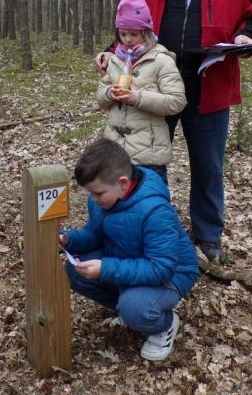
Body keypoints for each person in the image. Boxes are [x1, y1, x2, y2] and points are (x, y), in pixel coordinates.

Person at [95, 0, 252, 263]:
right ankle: (155, 229)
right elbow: (134, 27)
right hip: (155, 87)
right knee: (147, 162)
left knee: (208, 167)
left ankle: (207, 237)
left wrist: (246, 39)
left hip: (211, 87)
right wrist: (111, 53)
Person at [60, 139, 200, 361]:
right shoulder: (103, 198)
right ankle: (130, 305)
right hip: (130, 258)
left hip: (173, 273)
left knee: (135, 307)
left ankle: (163, 324)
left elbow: (160, 268)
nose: (94, 199)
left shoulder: (154, 211)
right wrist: (69, 240)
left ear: (123, 184)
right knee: (74, 269)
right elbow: (95, 235)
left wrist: (105, 268)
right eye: (90, 193)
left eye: (98, 193)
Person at [97, 0, 186, 183]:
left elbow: (177, 101)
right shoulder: (116, 60)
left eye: (133, 34)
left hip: (149, 154)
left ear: (146, 33)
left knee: (150, 202)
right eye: (123, 34)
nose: (127, 40)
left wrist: (139, 98)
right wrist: (109, 94)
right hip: (116, 149)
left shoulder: (161, 61)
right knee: (119, 202)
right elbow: (100, 98)